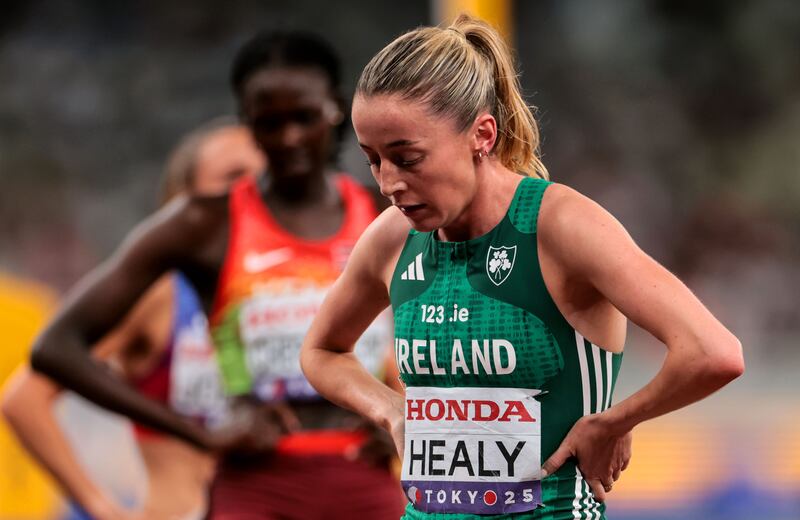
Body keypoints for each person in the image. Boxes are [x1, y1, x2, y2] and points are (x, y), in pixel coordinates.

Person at [300, 14, 745, 520]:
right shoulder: (392, 239)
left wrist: (614, 422)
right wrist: (389, 410)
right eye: (372, 159)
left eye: (408, 158)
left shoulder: (560, 226)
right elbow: (321, 350)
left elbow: (713, 352)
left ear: (481, 135)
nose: (388, 183)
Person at [30, 31, 405, 519]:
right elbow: (55, 348)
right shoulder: (205, 224)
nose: (289, 136)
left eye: (304, 117)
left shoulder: (386, 214)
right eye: (269, 123)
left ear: (336, 108)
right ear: (247, 123)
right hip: (255, 487)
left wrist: (403, 415)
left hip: (366, 480)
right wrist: (200, 434)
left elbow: (461, 322)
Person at [2, 120, 266, 520]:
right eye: (233, 178)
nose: (254, 191)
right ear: (183, 203)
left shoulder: (295, 293)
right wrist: (99, 507)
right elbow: (24, 399)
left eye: (266, 177)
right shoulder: (159, 295)